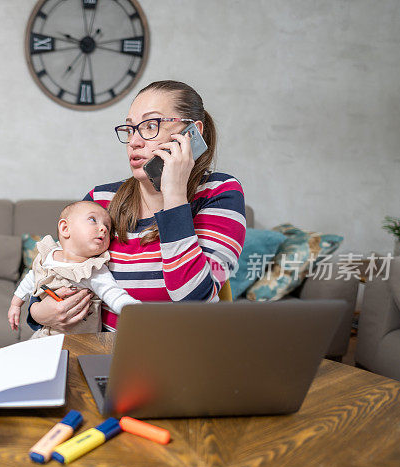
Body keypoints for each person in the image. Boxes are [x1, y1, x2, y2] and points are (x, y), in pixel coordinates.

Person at [29, 80, 246, 333]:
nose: (134, 141)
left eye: (150, 126)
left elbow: (193, 300)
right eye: (130, 129)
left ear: (191, 132)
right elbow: (58, 267)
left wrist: (174, 193)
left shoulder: (219, 193)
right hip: (105, 354)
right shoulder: (100, 200)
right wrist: (39, 311)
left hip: (184, 358)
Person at [8, 201, 138, 338]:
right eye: (93, 220)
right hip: (44, 334)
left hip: (79, 342)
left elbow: (115, 295)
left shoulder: (93, 270)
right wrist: (16, 304)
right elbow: (32, 277)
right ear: (65, 228)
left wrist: (139, 311)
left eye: (107, 227)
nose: (104, 229)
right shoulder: (48, 256)